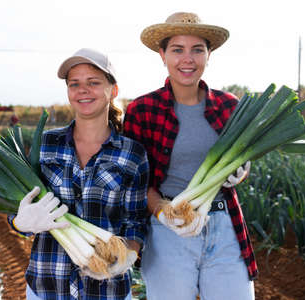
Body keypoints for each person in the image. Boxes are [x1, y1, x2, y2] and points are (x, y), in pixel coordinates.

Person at [123, 12, 256, 300]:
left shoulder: (229, 105)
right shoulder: (142, 109)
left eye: (197, 49)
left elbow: (243, 159)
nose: (188, 59)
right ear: (162, 55)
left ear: (209, 55)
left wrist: (241, 171)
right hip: (167, 227)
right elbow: (134, 180)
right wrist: (163, 211)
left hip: (223, 224)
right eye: (177, 50)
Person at [8, 48, 149, 300]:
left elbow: (136, 221)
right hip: (47, 287)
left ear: (113, 90)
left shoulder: (132, 154)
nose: (83, 90)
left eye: (93, 82)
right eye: (75, 84)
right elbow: (17, 210)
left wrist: (125, 256)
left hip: (108, 290)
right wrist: (21, 222)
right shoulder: (46, 144)